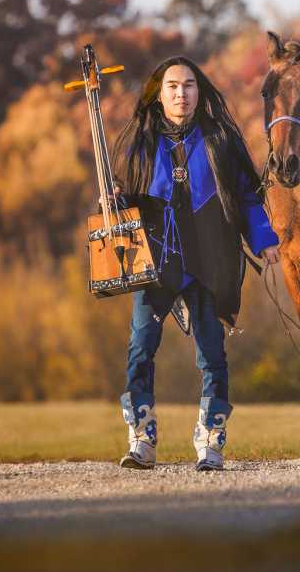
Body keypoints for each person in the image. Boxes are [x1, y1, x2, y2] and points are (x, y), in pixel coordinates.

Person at [112, 57, 279, 471]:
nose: (180, 93)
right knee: (139, 350)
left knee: (212, 356)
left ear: (198, 91)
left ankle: (210, 442)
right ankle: (142, 439)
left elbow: (249, 196)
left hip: (206, 262)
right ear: (159, 92)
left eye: (188, 85)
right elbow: (123, 197)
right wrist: (112, 201)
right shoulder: (141, 142)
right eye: (171, 86)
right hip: (155, 263)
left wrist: (265, 239)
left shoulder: (221, 138)